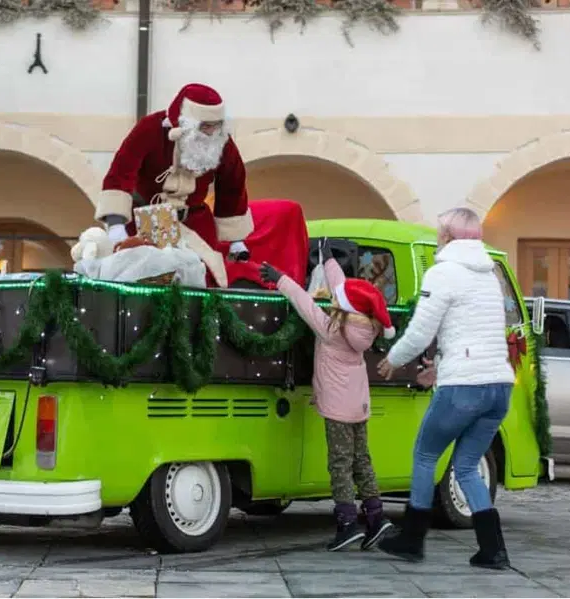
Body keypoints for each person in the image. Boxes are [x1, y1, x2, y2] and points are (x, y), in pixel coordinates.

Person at [375, 207, 515, 570]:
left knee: (425, 455)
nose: (438, 237)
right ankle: (493, 550)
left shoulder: (444, 272)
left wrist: (394, 358)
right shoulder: (489, 275)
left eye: (440, 232)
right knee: (467, 466)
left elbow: (422, 331)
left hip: (464, 388)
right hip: (498, 386)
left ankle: (412, 540)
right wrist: (440, 367)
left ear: (449, 237)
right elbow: (478, 337)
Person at [261, 241, 395, 551]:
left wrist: (280, 277)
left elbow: (303, 303)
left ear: (345, 307)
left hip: (336, 407)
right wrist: (329, 260)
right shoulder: (365, 324)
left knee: (339, 464)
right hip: (359, 404)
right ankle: (376, 518)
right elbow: (345, 288)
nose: (336, 297)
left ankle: (347, 524)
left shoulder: (330, 329)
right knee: (362, 460)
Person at [94, 83, 254, 288]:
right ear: (186, 122)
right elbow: (121, 171)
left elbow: (233, 184)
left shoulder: (221, 141)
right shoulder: (150, 128)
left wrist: (236, 239)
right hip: (148, 219)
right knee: (145, 275)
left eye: (217, 125)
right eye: (205, 126)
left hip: (196, 223)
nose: (212, 132)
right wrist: (116, 223)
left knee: (203, 277)